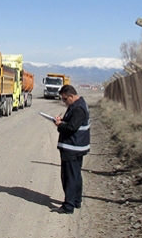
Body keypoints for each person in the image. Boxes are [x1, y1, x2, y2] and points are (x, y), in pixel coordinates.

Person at [51, 85, 91, 214]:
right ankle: (76, 201)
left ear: (71, 96)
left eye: (64, 99)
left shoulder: (78, 108)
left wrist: (60, 125)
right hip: (75, 147)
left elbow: (72, 127)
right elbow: (73, 121)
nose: (64, 102)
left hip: (73, 147)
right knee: (75, 176)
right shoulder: (77, 105)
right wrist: (62, 120)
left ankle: (68, 205)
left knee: (69, 177)